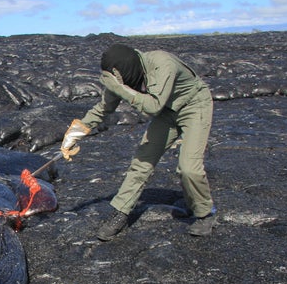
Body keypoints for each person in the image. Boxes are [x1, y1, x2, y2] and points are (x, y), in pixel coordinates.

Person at [60, 43, 217, 240]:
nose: (115, 83)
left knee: (188, 168)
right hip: (166, 114)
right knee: (141, 163)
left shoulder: (162, 63)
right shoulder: (120, 79)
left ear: (124, 71)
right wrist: (74, 135)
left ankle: (204, 213)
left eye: (115, 79)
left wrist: (119, 87)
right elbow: (102, 109)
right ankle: (121, 212)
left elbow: (153, 106)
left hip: (194, 106)